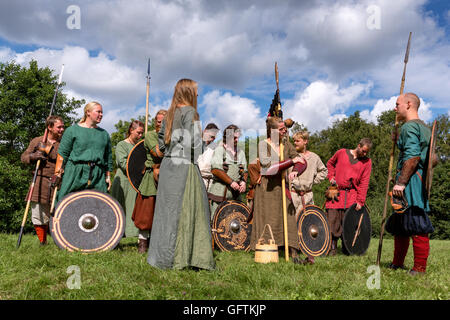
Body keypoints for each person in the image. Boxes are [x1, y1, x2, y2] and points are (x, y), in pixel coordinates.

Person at [147, 79, 215, 270]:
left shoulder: (168, 114)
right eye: (196, 91)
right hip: (184, 167)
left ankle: (162, 259)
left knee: (167, 213)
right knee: (189, 211)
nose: (198, 94)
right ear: (189, 92)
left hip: (168, 165)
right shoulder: (191, 113)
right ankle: (185, 258)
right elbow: (194, 145)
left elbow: (161, 143)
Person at [386, 92, 435, 276]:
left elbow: (413, 157)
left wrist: (401, 182)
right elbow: (433, 158)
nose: (394, 107)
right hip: (414, 179)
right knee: (401, 223)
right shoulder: (423, 128)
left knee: (416, 221)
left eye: (397, 104)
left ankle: (419, 268)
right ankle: (397, 263)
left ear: (408, 104)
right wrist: (398, 139)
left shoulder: (409, 127)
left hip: (412, 182)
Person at [249, 116, 305, 262]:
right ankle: (267, 250)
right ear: (272, 131)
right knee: (269, 218)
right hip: (266, 189)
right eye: (281, 129)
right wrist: (290, 162)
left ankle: (293, 252)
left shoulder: (285, 145)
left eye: (284, 128)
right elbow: (268, 170)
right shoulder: (263, 145)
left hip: (282, 187)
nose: (284, 130)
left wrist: (296, 170)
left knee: (289, 217)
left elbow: (301, 160)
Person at [56, 101, 113, 202]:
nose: (101, 114)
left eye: (102, 112)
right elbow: (62, 154)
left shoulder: (104, 134)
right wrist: (57, 173)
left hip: (97, 174)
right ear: (88, 112)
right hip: (75, 172)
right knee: (67, 202)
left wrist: (108, 176)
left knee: (99, 204)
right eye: (98, 112)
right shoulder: (72, 130)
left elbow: (107, 158)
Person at [21, 116, 65, 245]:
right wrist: (32, 156)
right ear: (50, 127)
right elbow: (23, 157)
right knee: (38, 213)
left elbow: (63, 159)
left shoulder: (64, 143)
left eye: (63, 127)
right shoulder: (38, 141)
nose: (62, 129)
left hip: (57, 181)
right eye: (59, 127)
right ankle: (43, 242)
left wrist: (47, 149)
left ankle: (61, 241)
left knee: (58, 213)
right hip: (39, 180)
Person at [325, 138, 372, 256]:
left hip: (352, 195)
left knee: (349, 223)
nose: (365, 154)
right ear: (358, 146)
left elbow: (364, 182)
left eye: (367, 152)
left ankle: (347, 247)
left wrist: (360, 200)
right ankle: (332, 247)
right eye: (364, 151)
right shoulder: (341, 153)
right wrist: (331, 176)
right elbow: (330, 164)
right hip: (336, 192)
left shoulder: (367, 162)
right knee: (332, 219)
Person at [288, 130, 328, 264]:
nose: (295, 143)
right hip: (294, 194)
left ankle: (310, 254)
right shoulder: (293, 157)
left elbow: (324, 171)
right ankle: (294, 253)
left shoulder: (314, 158)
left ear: (305, 141)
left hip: (308, 194)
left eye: (297, 141)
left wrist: (313, 180)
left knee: (310, 223)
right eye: (294, 141)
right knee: (294, 223)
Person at [131, 110, 166, 253]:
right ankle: (142, 244)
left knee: (164, 212)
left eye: (164, 121)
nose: (161, 124)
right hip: (152, 176)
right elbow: (158, 153)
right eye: (159, 121)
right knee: (146, 212)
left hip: (168, 176)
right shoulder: (151, 135)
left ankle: (158, 243)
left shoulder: (173, 136)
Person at [110, 120, 145, 238]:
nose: (140, 136)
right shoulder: (122, 144)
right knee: (120, 207)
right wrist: (137, 170)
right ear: (131, 130)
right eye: (138, 133)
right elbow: (123, 162)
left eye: (142, 133)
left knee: (132, 208)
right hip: (123, 180)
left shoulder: (140, 146)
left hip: (135, 182)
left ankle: (131, 233)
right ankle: (116, 233)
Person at [207, 124, 247, 221]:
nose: (237, 140)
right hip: (220, 193)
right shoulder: (220, 150)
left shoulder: (240, 152)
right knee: (217, 221)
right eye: (235, 138)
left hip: (235, 195)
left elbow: (244, 170)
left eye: (238, 138)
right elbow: (215, 170)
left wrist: (243, 181)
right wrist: (231, 182)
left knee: (235, 222)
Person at [198, 123, 220, 190]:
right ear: (205, 131)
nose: (212, 139)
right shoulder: (194, 143)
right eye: (211, 136)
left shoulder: (216, 147)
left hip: (209, 181)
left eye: (214, 137)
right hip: (195, 178)